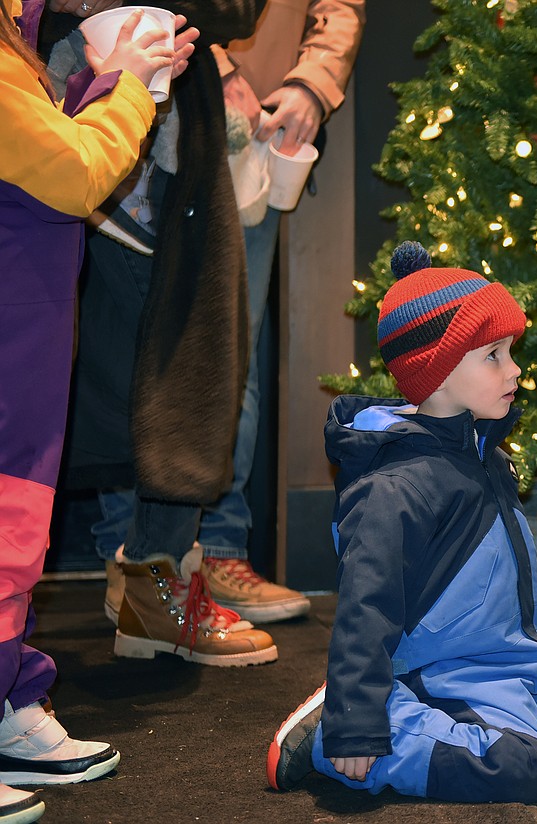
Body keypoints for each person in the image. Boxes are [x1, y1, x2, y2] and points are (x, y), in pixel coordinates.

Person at [267, 242, 537, 804]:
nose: (515, 369)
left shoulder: (482, 451)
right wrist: (356, 719)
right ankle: (346, 728)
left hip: (510, 658)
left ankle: (460, 715)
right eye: (494, 356)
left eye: (511, 351)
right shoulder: (397, 486)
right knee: (526, 768)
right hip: (448, 665)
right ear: (436, 373)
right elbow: (368, 603)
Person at [1, 2, 194, 820]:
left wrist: (118, 76)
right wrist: (132, 91)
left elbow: (45, 156)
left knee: (15, 533)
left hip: (29, 337)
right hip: (15, 330)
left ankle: (7, 696)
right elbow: (74, 174)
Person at [50, 0, 278, 667]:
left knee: (186, 386)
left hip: (167, 170)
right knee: (80, 396)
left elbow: (236, 8)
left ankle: (154, 593)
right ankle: (146, 595)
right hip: (60, 141)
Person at [191, 0, 366, 623]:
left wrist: (312, 85)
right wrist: (208, 62)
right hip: (139, 96)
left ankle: (214, 551)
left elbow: (338, 6)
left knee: (231, 348)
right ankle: (136, 563)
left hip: (257, 134)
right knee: (133, 341)